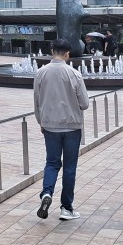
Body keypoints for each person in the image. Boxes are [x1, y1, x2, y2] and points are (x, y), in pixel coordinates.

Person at [34, 38, 89, 221]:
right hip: (72, 126)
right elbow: (85, 103)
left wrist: (41, 121)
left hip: (50, 125)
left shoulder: (41, 73)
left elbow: (37, 100)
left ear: (52, 51)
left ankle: (46, 193)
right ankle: (66, 208)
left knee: (52, 163)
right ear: (67, 54)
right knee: (69, 167)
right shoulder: (74, 74)